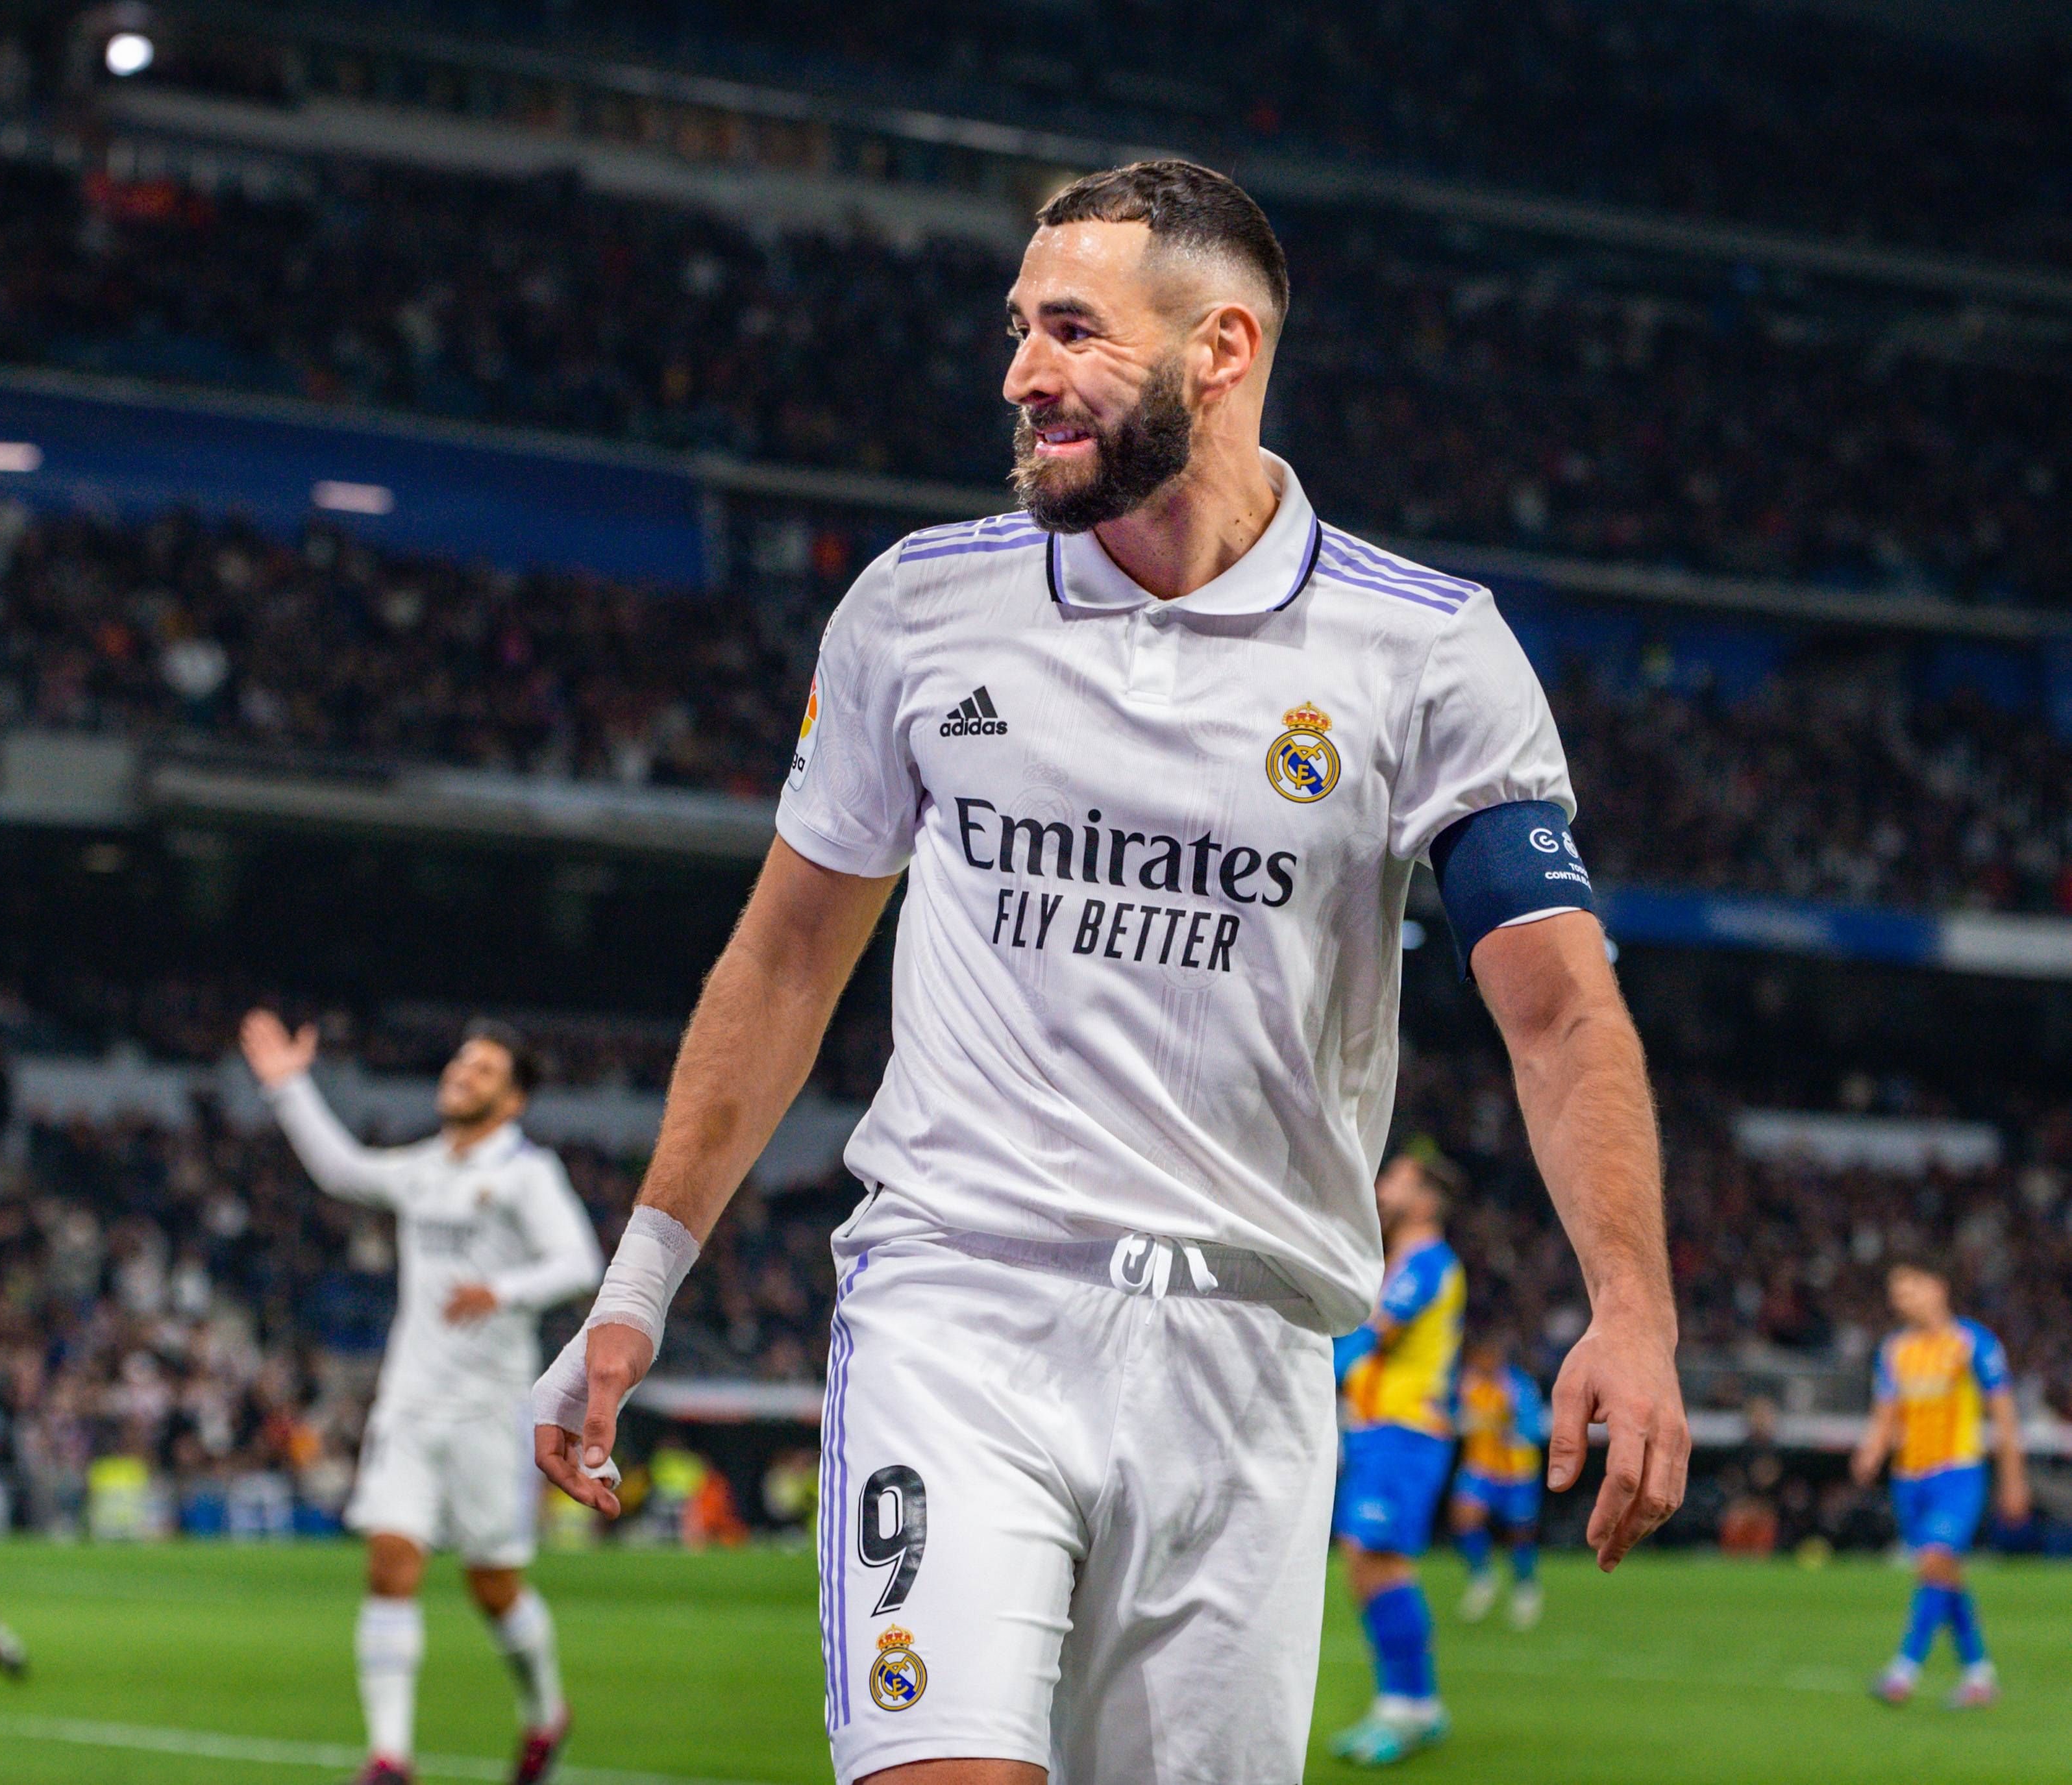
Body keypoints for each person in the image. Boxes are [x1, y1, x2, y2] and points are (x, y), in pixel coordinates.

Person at [532, 157, 1687, 1785]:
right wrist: (638, 1280)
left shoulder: (1426, 651)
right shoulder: (920, 607)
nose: (1019, 371)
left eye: (1069, 329)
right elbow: (788, 953)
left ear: (1220, 349)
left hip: (1248, 1348)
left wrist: (1629, 1305)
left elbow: (1559, 1002)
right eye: (1018, 325)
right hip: (960, 1300)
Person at [241, 1012, 604, 1785]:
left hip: (489, 1410)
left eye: (481, 1071)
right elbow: (342, 1169)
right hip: (409, 1402)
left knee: (491, 1582)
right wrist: (288, 1089)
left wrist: (499, 1290)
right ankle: (389, 1758)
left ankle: (546, 1711)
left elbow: (579, 1260)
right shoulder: (428, 1165)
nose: (460, 1075)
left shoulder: (525, 1173)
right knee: (389, 1561)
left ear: (511, 1102)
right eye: (460, 1064)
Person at [1327, 1154, 1465, 1764]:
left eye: (1397, 1181)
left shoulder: (1428, 1261)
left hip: (1404, 1430)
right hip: (1379, 1431)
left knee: (1377, 1563)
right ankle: (1412, 1703)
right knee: (1368, 1563)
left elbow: (1373, 1335)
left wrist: (1310, 1373)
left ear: (1428, 1200)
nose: (1382, 1187)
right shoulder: (1396, 1261)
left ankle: (1406, 1708)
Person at [1850, 1261, 2030, 1709]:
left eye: (1909, 1286)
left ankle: (1904, 1669)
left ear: (1937, 1285)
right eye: (1896, 1290)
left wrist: (2013, 1480)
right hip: (1908, 1480)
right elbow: (1885, 1414)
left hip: (1959, 1474)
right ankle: (1980, 1674)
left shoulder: (1974, 1343)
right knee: (1944, 1574)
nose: (1901, 1298)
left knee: (1935, 1561)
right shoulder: (1894, 1350)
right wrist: (1871, 1450)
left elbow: (2004, 1416)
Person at [1450, 1329, 1549, 1630]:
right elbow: (1452, 1414)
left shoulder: (1518, 1387)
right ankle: (1482, 1579)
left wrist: (1506, 1424)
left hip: (1517, 1471)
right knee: (1464, 1517)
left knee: (1519, 1533)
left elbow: (1534, 1429)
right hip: (1481, 1468)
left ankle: (1526, 1588)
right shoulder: (1467, 1383)